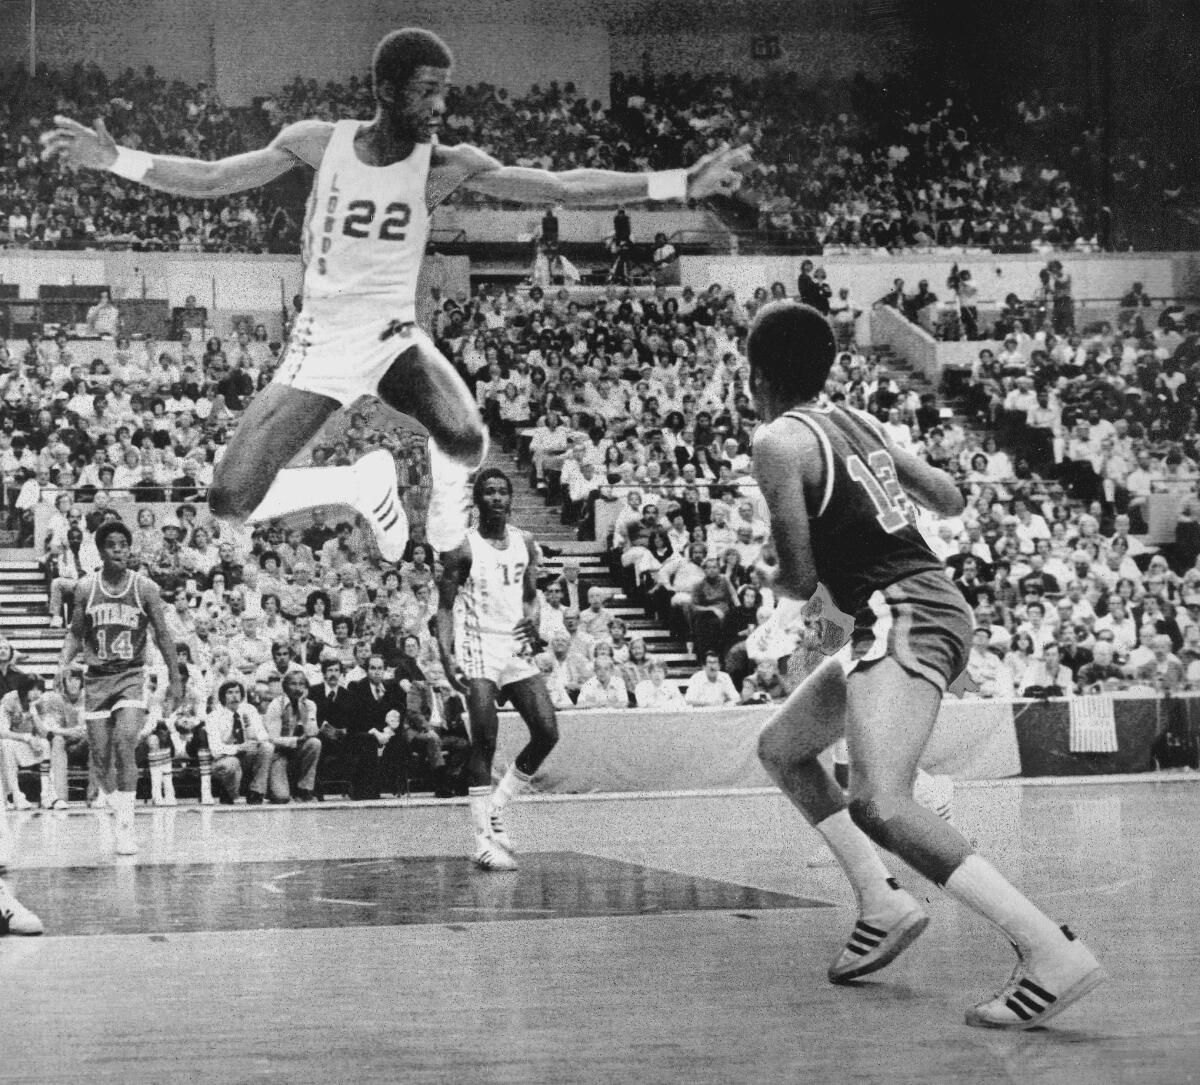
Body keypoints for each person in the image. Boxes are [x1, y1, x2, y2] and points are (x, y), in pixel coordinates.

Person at [42, 29, 747, 566]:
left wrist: (679, 182)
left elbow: (561, 185)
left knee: (467, 436)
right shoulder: (319, 143)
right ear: (385, 89)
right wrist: (119, 161)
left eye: (446, 90)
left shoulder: (444, 165)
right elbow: (211, 178)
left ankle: (445, 515)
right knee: (227, 499)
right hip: (319, 347)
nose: (441, 105)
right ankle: (358, 485)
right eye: (426, 91)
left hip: (393, 340)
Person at [747, 300, 1102, 1030]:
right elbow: (946, 494)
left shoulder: (777, 442)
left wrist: (768, 570)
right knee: (784, 749)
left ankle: (1049, 948)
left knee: (885, 801)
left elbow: (800, 573)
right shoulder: (858, 422)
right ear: (828, 365)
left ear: (754, 375)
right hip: (917, 600)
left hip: (903, 609)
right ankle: (881, 899)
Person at [435, 468, 559, 872]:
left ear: (510, 499)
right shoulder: (462, 548)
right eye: (488, 492)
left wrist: (533, 620)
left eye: (502, 491)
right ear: (477, 500)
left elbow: (530, 596)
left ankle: (496, 809)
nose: (496, 498)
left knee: (546, 731)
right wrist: (446, 655)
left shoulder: (525, 541)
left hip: (514, 645)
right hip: (477, 645)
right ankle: (482, 841)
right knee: (485, 738)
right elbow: (443, 608)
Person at [57, 522, 181, 855]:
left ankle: (126, 828)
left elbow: (163, 635)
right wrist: (62, 663)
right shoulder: (85, 587)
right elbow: (75, 633)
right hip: (96, 678)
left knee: (125, 740)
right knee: (99, 758)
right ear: (100, 550)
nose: (119, 549)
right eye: (112, 544)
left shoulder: (146, 588)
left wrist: (176, 677)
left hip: (130, 674)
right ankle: (118, 811)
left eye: (124, 544)